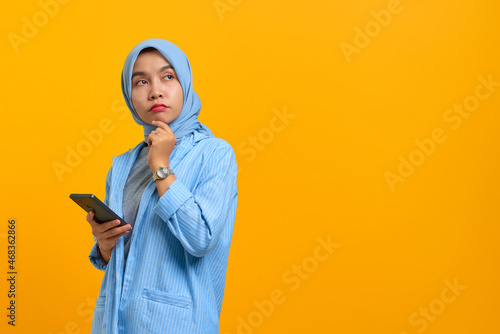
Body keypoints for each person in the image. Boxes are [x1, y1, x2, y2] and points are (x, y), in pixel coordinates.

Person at [85, 38, 238, 333]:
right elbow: (125, 254)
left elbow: (200, 238)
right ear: (130, 95)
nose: (155, 90)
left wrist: (160, 166)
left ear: (186, 85)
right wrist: (104, 246)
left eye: (168, 76)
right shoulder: (122, 165)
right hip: (113, 323)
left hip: (177, 324)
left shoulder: (215, 153)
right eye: (141, 81)